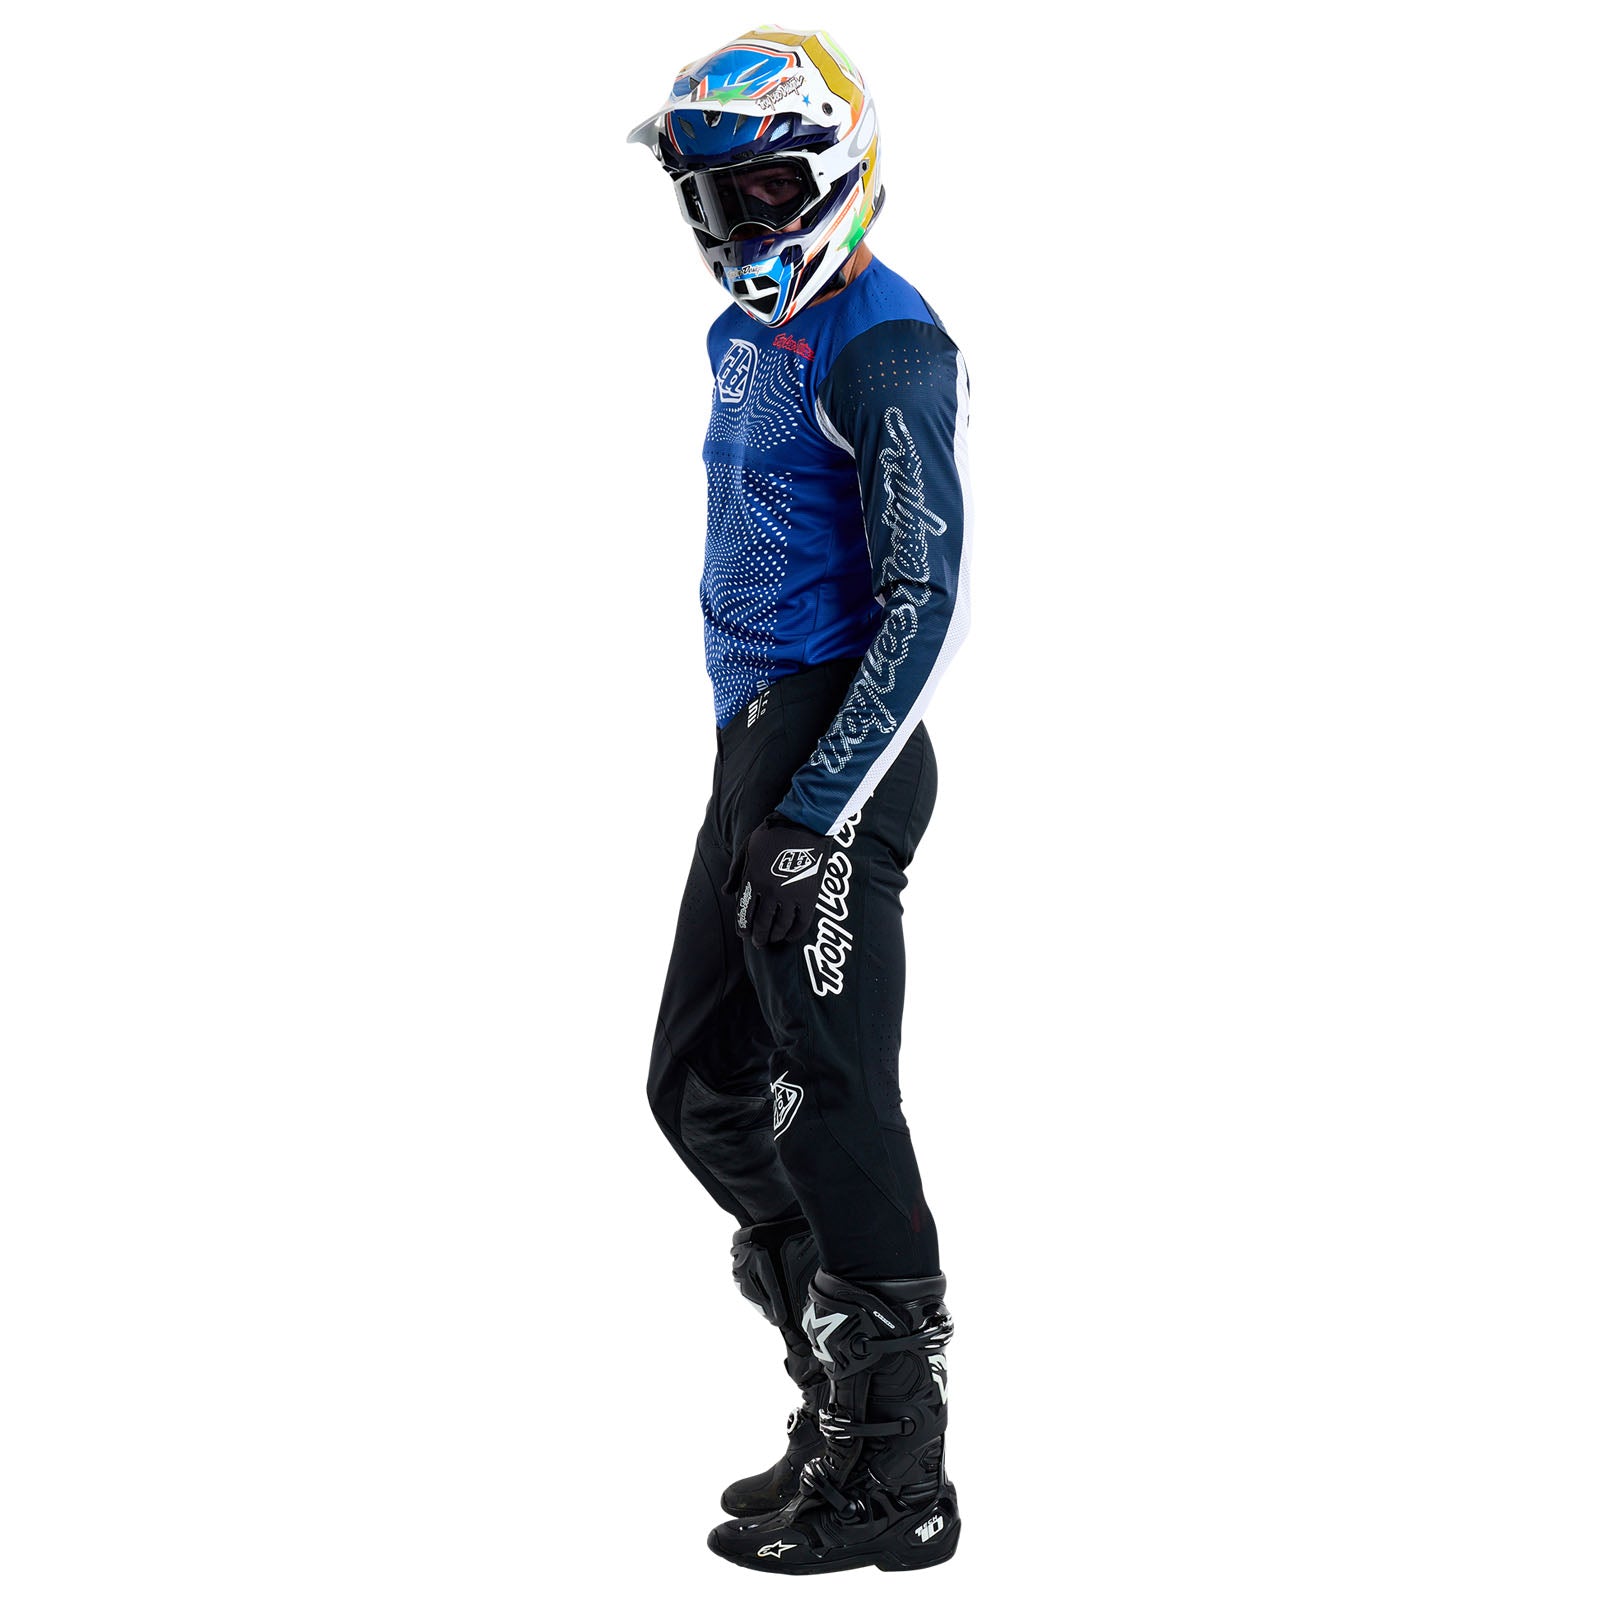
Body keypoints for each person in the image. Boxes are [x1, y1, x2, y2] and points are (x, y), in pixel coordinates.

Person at [628, 26, 971, 1575]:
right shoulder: (740, 339)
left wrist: (818, 807)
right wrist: (763, 788)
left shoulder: (888, 344)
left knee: (833, 1099)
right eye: (715, 198)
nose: (739, 225)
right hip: (758, 744)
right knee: (699, 1087)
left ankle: (898, 1477)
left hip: (841, 746)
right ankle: (840, 1402)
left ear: (837, 171)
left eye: (768, 189)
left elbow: (929, 595)